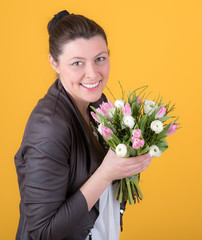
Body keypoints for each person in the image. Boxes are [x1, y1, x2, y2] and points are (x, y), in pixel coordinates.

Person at [14, 10, 153, 240]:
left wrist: (129, 161)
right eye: (77, 63)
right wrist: (106, 173)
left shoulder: (98, 103)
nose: (93, 74)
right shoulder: (49, 127)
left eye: (100, 59)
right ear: (54, 62)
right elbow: (42, 232)